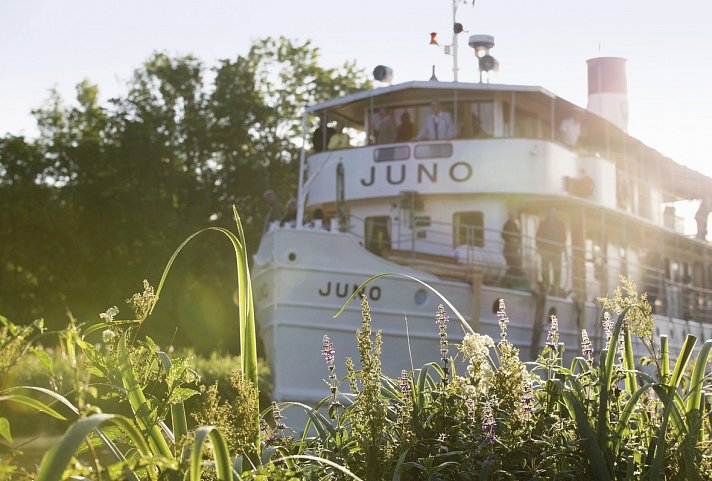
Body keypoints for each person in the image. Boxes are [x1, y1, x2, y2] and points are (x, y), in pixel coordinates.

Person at [536, 208, 566, 294]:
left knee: (557, 270)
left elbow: (564, 236)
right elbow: (538, 236)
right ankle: (546, 286)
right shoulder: (542, 224)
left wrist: (561, 245)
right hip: (545, 250)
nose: (551, 214)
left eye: (553, 213)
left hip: (556, 250)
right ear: (547, 213)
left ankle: (556, 287)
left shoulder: (560, 224)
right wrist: (539, 247)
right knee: (545, 269)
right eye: (550, 212)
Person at [501, 210, 522, 276]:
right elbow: (504, 235)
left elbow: (519, 234)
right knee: (512, 258)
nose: (515, 217)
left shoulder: (514, 224)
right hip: (510, 245)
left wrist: (518, 241)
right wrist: (511, 239)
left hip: (514, 246)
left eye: (515, 215)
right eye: (513, 215)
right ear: (510, 216)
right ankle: (516, 273)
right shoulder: (507, 224)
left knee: (514, 258)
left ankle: (515, 272)